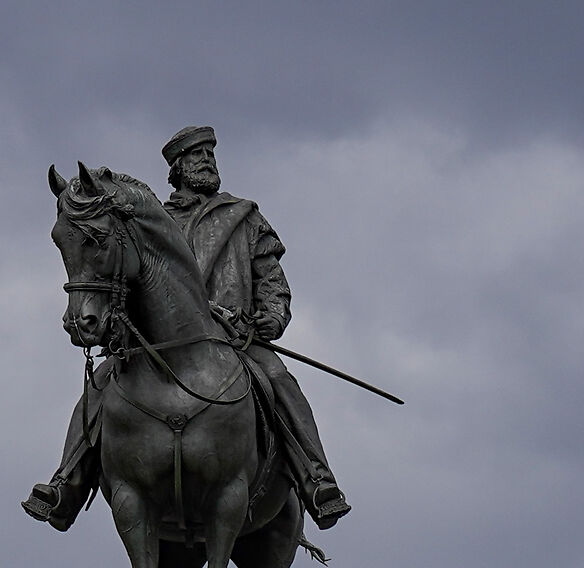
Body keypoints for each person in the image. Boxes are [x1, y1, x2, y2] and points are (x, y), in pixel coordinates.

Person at [25, 124, 349, 534]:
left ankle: (317, 479)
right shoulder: (149, 220)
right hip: (159, 344)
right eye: (196, 156)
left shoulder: (244, 217)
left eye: (210, 154)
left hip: (236, 339)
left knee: (280, 381)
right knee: (101, 385)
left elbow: (271, 279)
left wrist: (268, 316)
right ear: (175, 169)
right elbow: (124, 283)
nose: (207, 162)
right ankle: (65, 484)